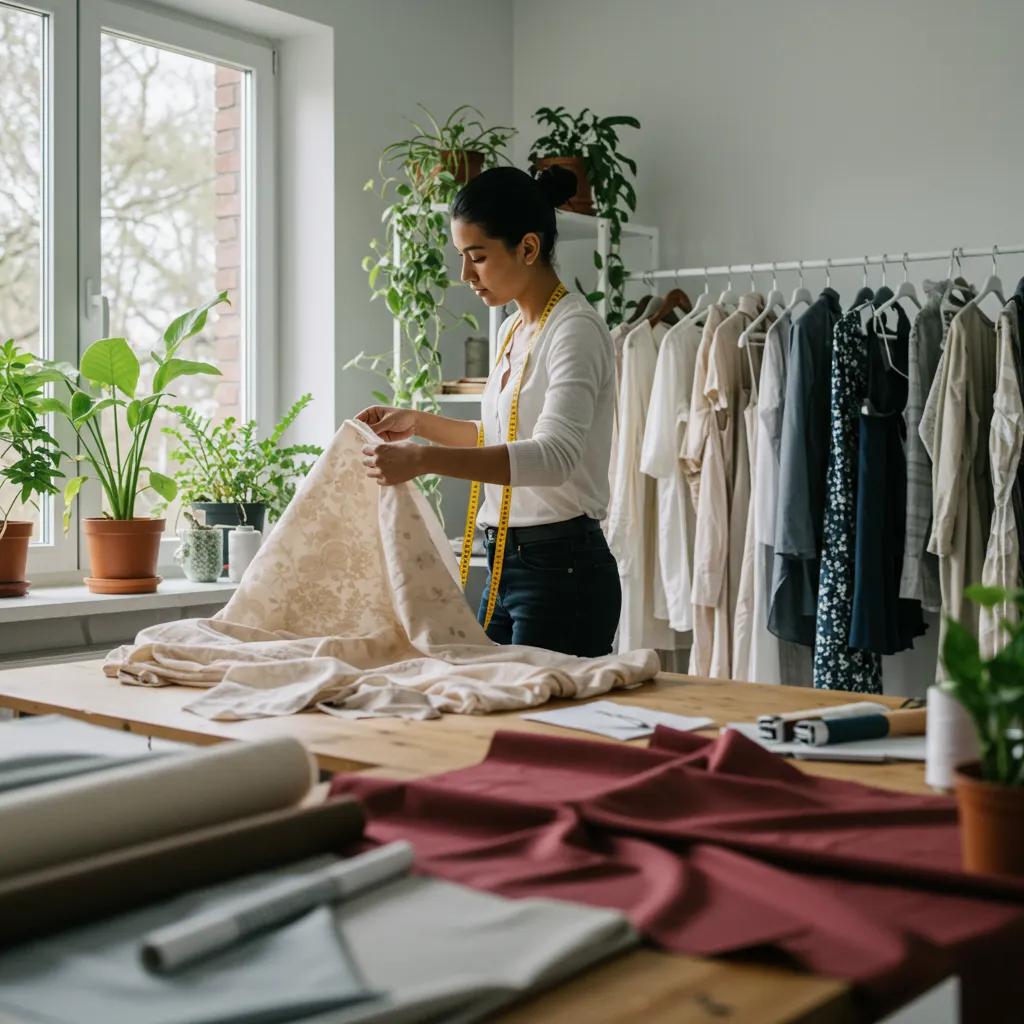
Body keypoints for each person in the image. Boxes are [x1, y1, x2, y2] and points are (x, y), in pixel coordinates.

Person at [357, 165, 621, 657]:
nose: (465, 276)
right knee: (490, 717)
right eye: (462, 257)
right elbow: (500, 434)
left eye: (477, 257)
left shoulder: (575, 330)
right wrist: (418, 423)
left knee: (534, 729)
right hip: (506, 562)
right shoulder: (511, 332)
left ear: (527, 247)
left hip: (562, 570)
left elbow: (552, 457)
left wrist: (424, 460)